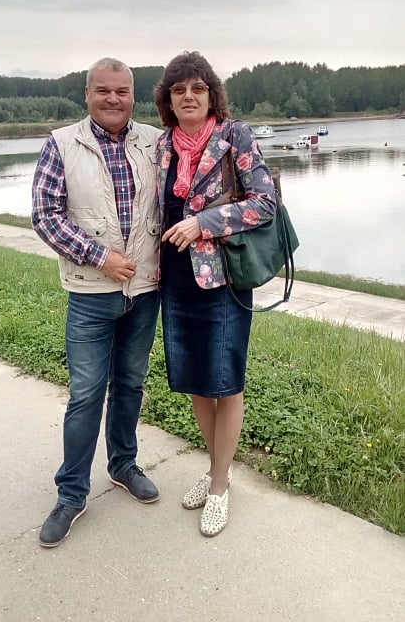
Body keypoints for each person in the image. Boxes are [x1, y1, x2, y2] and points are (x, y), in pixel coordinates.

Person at [32, 57, 162, 547]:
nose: (113, 99)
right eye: (103, 91)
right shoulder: (61, 144)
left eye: (122, 91)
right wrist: (99, 256)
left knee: (130, 385)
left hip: (145, 291)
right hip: (91, 294)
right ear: (87, 94)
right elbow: (45, 215)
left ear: (134, 95)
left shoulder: (153, 141)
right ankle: (71, 493)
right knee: (87, 395)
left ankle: (123, 465)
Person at [154, 51, 276, 537]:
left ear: (211, 94)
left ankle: (221, 486)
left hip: (223, 279)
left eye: (197, 88)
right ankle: (214, 468)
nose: (188, 96)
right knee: (196, 381)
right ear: (168, 99)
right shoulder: (162, 146)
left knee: (225, 380)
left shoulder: (235, 137)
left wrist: (203, 223)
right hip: (175, 280)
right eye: (178, 89)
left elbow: (265, 203)